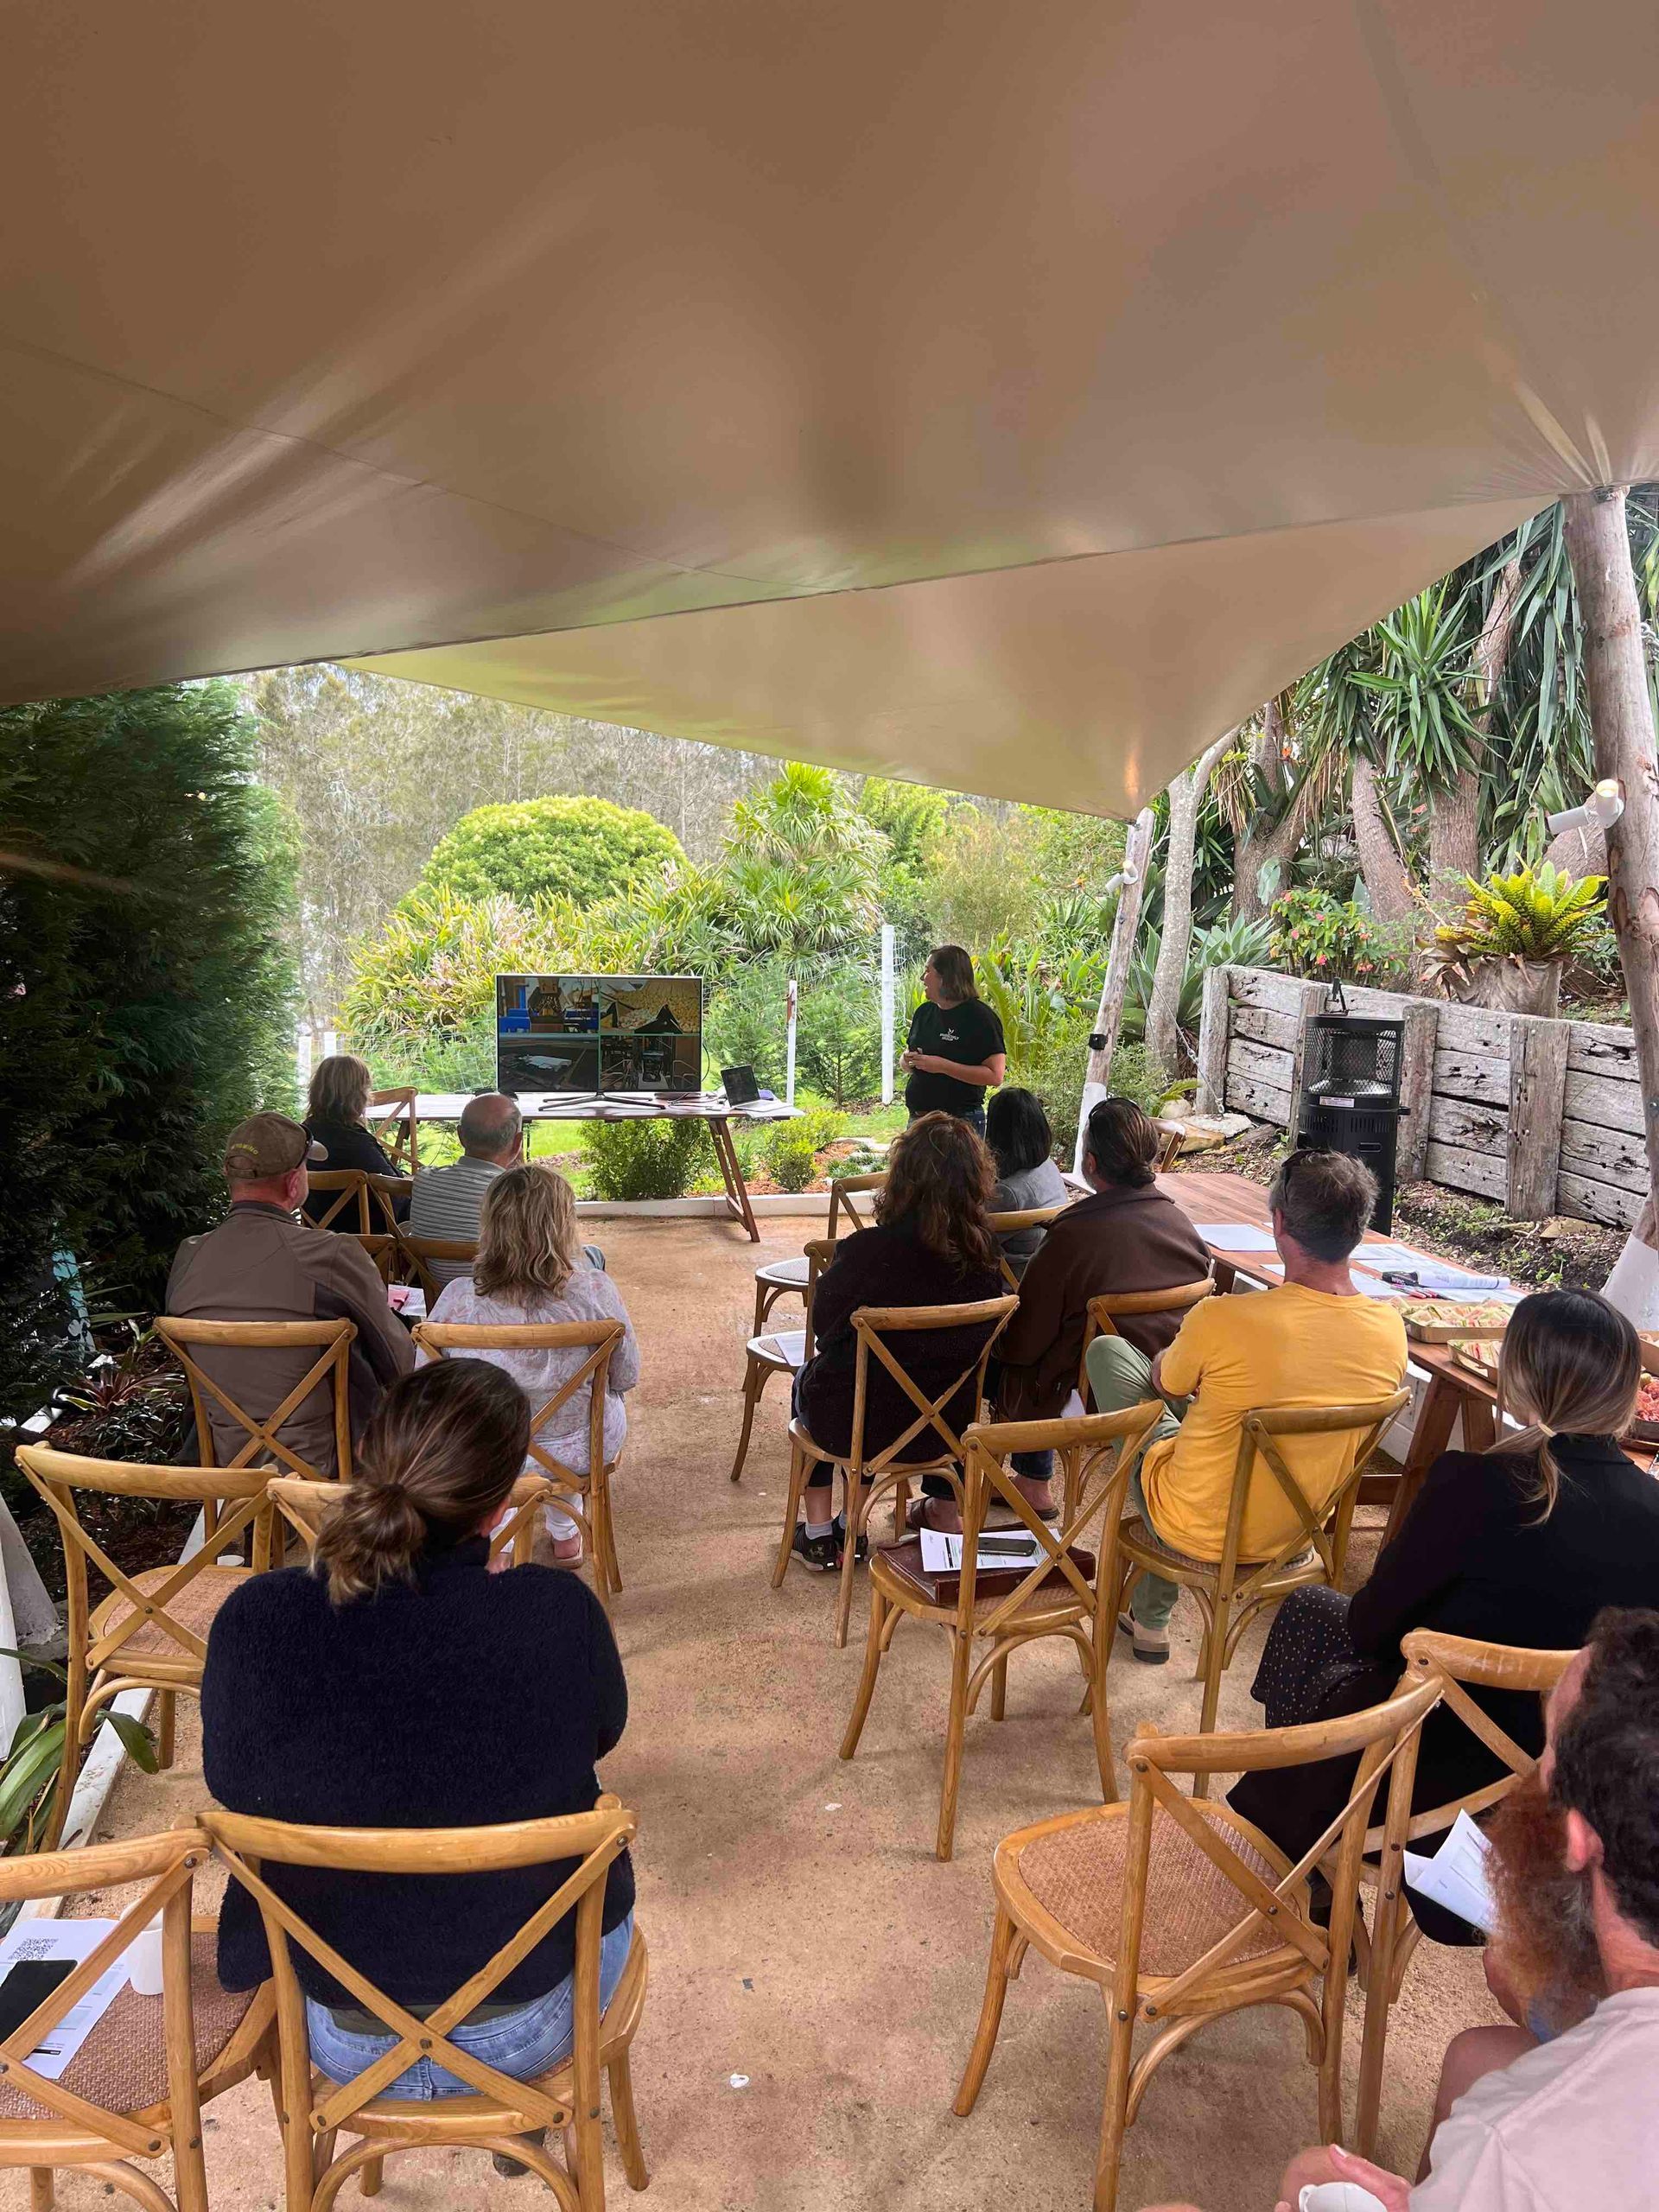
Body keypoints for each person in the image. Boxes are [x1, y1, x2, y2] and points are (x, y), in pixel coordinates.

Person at [201, 1358, 633, 2109]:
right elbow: (599, 1734)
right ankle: (527, 2119)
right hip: (534, 2024)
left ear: (366, 1464)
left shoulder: (257, 1620)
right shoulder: (554, 1613)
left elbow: (234, 1786)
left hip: (343, 2034)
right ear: (500, 1507)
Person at [1154, 1607, 1659, 2212]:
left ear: (1579, 1840)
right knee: (1471, 2061)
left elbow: (1377, 1613)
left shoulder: (1515, 2147)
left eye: (1545, 1760)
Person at [1229, 1287, 1659, 1904]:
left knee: (1313, 1614)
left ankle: (1312, 1853)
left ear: (1521, 1380)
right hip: (1571, 1783)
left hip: (1425, 1771)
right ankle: (1312, 1842)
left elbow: (1370, 1629)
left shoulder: (1473, 1485)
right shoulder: (1652, 1515)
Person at [1088, 1147, 1407, 1662]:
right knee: (1212, 1422)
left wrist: (1184, 1361)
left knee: (1112, 1358)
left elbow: (1164, 1383)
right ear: (1359, 1229)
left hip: (1197, 1525)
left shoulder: (1225, 1318)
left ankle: (1152, 1618)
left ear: (1278, 1223)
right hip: (1296, 1533)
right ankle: (1150, 1620)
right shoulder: (1391, 1331)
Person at [790, 1112, 1006, 1569]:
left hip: (856, 1425)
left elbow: (823, 1331)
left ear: (902, 1177)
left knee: (816, 1379)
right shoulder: (986, 1258)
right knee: (855, 1381)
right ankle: (853, 1524)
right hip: (946, 1430)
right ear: (977, 1181)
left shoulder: (866, 1250)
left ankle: (820, 1532)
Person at [994, 1096, 1211, 1510]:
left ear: (1091, 1164)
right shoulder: (1184, 1228)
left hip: (1086, 1396)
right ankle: (1029, 1482)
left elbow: (1023, 1345)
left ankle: (989, 1490)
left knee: (997, 1357)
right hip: (1173, 1386)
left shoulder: (1072, 1236)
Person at [167, 1111, 415, 1474]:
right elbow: (400, 1365)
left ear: (229, 1177)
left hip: (225, 1462)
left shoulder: (189, 1256)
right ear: (293, 1183)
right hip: (329, 1464)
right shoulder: (330, 1254)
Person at [422, 1163, 638, 1565]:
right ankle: (564, 1530)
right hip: (580, 1449)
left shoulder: (457, 1297)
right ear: (563, 1226)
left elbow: (426, 1387)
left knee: (524, 1422)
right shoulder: (594, 1289)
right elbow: (627, 1375)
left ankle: (498, 1540)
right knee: (584, 1408)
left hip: (484, 1453)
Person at [899, 944, 1006, 1134]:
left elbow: (995, 1076)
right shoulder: (924, 1013)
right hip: (918, 1118)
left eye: (927, 971)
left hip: (960, 1123)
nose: (922, 978)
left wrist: (942, 1066)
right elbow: (907, 1060)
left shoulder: (980, 1018)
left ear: (945, 977)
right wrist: (908, 1059)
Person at [302, 1052, 408, 1224]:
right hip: (368, 1237)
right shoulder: (357, 1143)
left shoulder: (304, 1134)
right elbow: (396, 1193)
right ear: (357, 1095)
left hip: (319, 1231)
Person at [984, 1087, 1070, 1281]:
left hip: (1012, 1284)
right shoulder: (1047, 1167)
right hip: (1047, 1275)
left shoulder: (1009, 1192)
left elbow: (969, 1241)